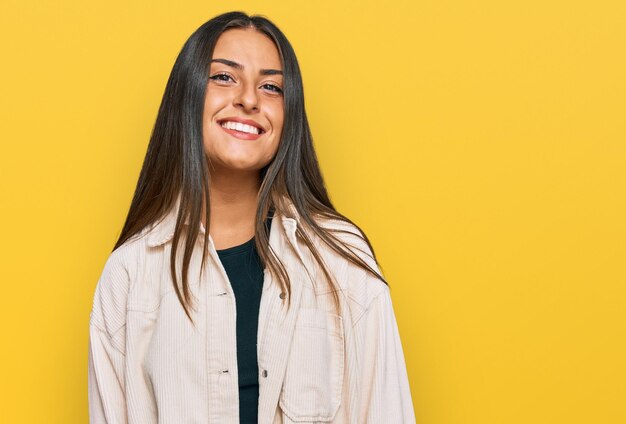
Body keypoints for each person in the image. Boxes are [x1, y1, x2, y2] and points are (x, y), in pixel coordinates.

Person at [88, 10, 415, 424]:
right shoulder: (130, 275)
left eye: (271, 86)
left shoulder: (342, 263)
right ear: (187, 96)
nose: (248, 98)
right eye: (224, 77)